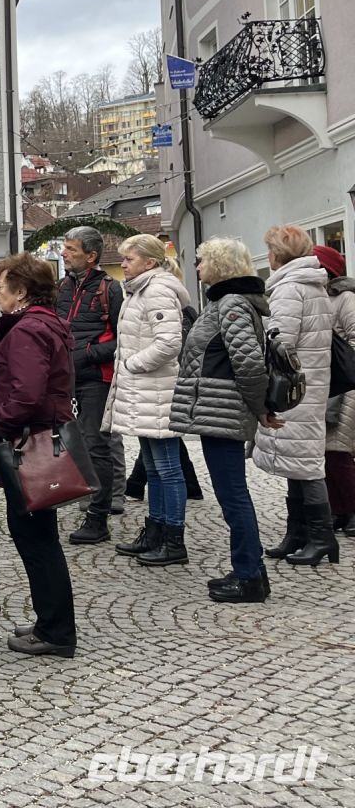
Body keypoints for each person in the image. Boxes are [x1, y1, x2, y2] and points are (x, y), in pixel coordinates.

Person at [172, 238, 277, 603]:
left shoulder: (230, 304)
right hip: (219, 409)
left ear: (217, 265)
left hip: (224, 409)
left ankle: (248, 574)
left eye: (201, 262)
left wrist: (261, 407)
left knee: (233, 495)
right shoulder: (224, 302)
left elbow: (248, 363)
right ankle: (251, 571)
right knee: (231, 494)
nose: (196, 268)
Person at [0, 254, 77, 658]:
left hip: (29, 441)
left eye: (2, 286)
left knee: (36, 539)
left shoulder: (27, 330)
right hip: (40, 436)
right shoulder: (42, 324)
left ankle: (56, 631)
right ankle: (49, 620)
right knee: (40, 537)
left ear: (21, 291)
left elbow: (27, 393)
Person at [103, 234, 193, 567]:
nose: (123, 264)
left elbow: (169, 343)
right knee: (154, 468)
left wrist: (130, 365)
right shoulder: (139, 290)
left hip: (157, 389)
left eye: (129, 259)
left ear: (150, 262)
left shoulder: (156, 290)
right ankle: (155, 531)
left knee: (168, 469)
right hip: (144, 392)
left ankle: (173, 538)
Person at [257, 225, 337, 566]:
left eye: (270, 249)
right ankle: (299, 532)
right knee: (299, 462)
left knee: (306, 464)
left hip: (294, 389)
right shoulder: (312, 284)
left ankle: (321, 537)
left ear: (278, 254)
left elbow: (280, 341)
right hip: (309, 383)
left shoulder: (290, 288)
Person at [54, 225, 125, 544]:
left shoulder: (111, 289)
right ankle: (80, 496)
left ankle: (99, 516)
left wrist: (86, 355)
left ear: (91, 255)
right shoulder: (61, 287)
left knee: (97, 444)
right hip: (66, 378)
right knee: (73, 442)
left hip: (97, 377)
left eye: (71, 249)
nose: (64, 253)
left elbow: (123, 339)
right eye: (65, 248)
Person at [315, 246, 355, 537]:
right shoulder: (321, 298)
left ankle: (351, 509)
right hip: (328, 385)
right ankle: (340, 510)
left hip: (346, 386)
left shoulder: (345, 298)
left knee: (339, 453)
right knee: (327, 454)